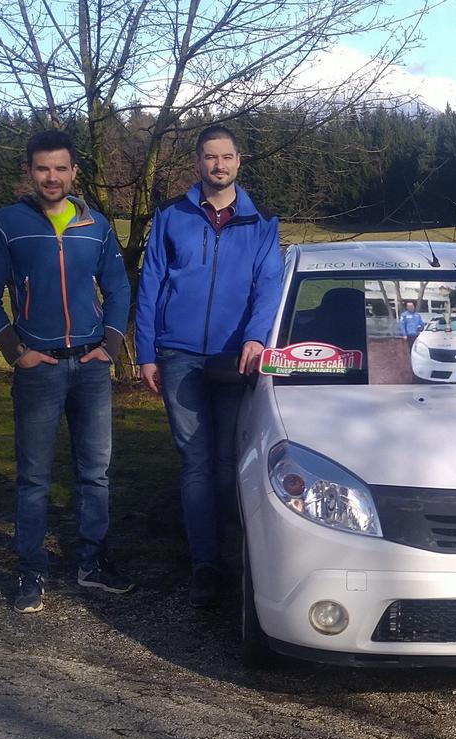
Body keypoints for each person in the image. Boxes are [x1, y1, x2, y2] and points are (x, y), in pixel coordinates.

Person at [0, 130, 134, 613]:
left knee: (95, 474)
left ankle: (92, 564)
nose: (52, 177)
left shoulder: (97, 226)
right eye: (43, 168)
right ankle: (31, 571)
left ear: (74, 172)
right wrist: (15, 353)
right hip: (38, 369)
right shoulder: (6, 225)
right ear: (29, 171)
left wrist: (111, 344)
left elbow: (119, 288)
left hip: (90, 367)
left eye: (60, 168)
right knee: (34, 478)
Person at [135, 124, 284, 608]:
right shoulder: (171, 217)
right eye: (209, 157)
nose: (218, 165)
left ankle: (233, 553)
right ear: (197, 163)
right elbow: (152, 283)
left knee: (227, 463)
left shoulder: (262, 224)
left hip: (233, 357)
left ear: (239, 161)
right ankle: (204, 565)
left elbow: (268, 287)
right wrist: (145, 352)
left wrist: (257, 338)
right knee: (196, 462)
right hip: (178, 355)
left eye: (226, 157)